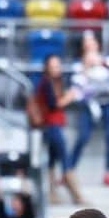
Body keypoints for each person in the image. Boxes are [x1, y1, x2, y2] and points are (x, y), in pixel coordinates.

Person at [68, 35, 109, 188]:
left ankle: (108, 172)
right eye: (86, 45)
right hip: (89, 105)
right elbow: (76, 90)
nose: (90, 47)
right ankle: (69, 171)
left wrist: (104, 65)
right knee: (82, 137)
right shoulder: (77, 66)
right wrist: (86, 69)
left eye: (92, 43)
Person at [34, 55, 82, 204]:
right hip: (51, 125)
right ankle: (75, 193)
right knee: (64, 158)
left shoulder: (56, 83)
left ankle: (52, 194)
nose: (56, 69)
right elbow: (53, 105)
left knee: (53, 160)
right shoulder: (46, 83)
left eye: (58, 66)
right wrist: (68, 97)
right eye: (53, 66)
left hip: (55, 125)